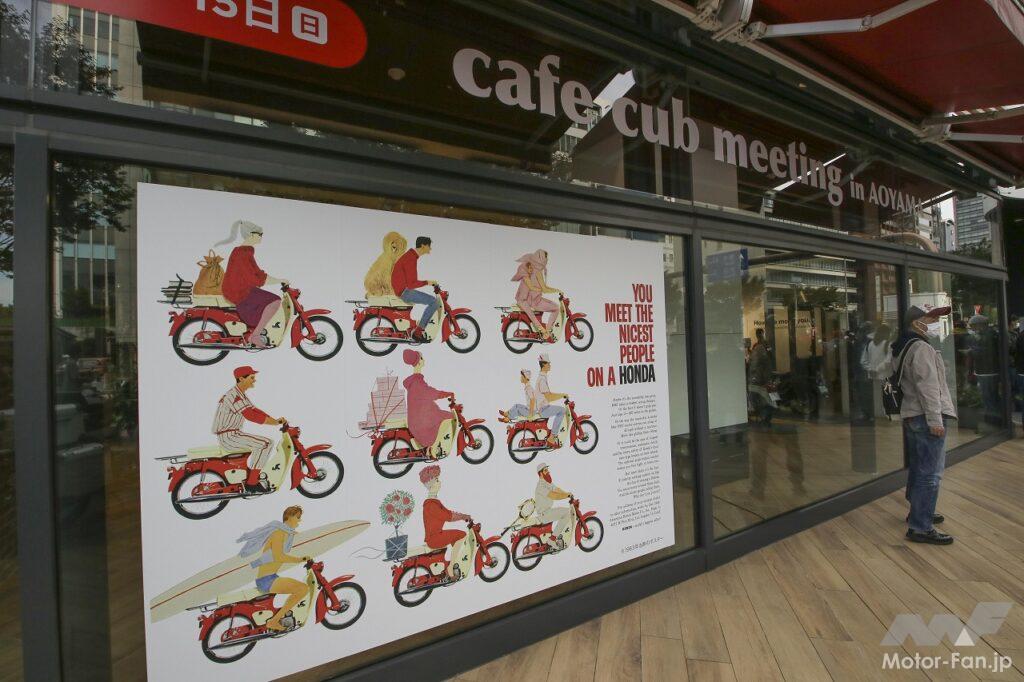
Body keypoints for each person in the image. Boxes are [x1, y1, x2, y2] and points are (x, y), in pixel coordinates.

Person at [892, 304, 956, 545]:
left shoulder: (902, 346)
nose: (933, 323)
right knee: (930, 473)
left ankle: (919, 511)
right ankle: (920, 526)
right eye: (930, 319)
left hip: (912, 415)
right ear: (916, 322)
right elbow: (928, 387)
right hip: (925, 416)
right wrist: (935, 420)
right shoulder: (920, 347)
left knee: (919, 468)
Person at [216, 220, 289, 349]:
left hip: (243, 288)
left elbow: (257, 273)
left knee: (270, 299)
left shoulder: (246, 251)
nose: (261, 237)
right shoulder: (241, 253)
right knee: (275, 301)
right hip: (237, 290)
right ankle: (255, 335)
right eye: (259, 234)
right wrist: (275, 280)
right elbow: (253, 278)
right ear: (251, 235)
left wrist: (278, 280)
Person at [236, 505, 310, 632]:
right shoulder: (278, 533)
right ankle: (274, 621)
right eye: (298, 517)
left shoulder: (287, 533)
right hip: (266, 580)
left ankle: (282, 617)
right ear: (290, 517)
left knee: (300, 588)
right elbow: (278, 556)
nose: (300, 520)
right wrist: (299, 560)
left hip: (272, 577)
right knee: (303, 589)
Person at [212, 366, 285, 493]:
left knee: (263, 443)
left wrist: (275, 420)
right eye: (252, 377)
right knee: (266, 444)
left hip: (233, 434)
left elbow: (255, 410)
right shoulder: (235, 396)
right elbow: (251, 415)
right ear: (241, 379)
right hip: (229, 436)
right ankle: (252, 482)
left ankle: (252, 476)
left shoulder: (240, 394)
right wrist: (274, 423)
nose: (254, 380)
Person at [419, 465, 471, 580]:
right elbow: (448, 516)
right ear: (429, 483)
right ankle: (450, 569)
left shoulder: (434, 501)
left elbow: (448, 513)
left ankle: (454, 563)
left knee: (456, 536)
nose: (439, 482)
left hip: (437, 535)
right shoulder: (431, 505)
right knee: (461, 535)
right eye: (436, 479)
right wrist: (463, 517)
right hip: (434, 538)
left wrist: (463, 516)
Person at [402, 349, 454, 458]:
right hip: (422, 423)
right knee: (450, 418)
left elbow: (426, 395)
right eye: (422, 358)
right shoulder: (417, 382)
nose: (424, 360)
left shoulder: (414, 382)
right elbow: (430, 393)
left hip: (419, 419)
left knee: (445, 415)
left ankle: (435, 446)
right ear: (419, 361)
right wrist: (445, 394)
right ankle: (434, 447)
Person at [391, 236, 437, 342]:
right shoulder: (410, 258)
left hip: (403, 289)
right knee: (433, 302)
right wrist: (428, 282)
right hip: (404, 292)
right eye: (429, 246)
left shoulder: (411, 256)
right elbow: (412, 284)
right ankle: (418, 331)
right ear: (423, 246)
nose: (430, 248)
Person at [512, 250, 561, 341]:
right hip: (534, 301)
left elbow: (542, 288)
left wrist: (553, 290)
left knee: (554, 306)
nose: (547, 260)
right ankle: (546, 332)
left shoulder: (531, 270)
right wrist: (557, 291)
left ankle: (546, 331)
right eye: (545, 258)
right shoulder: (536, 271)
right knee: (556, 308)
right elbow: (544, 289)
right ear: (541, 259)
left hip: (534, 299)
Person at [966, 314, 1001, 424]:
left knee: (988, 397)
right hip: (989, 371)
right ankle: (993, 418)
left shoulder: (987, 336)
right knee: (991, 396)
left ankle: (992, 420)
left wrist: (971, 351)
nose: (972, 329)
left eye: (973, 326)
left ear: (980, 325)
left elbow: (986, 353)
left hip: (986, 372)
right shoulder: (992, 334)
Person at [533, 463, 572, 550]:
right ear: (541, 473)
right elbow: (554, 496)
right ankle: (552, 539)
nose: (548, 472)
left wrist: (567, 493)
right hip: (544, 514)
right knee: (567, 512)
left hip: (548, 511)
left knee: (565, 511)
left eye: (548, 470)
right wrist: (566, 496)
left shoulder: (547, 483)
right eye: (545, 470)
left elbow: (557, 489)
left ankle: (558, 536)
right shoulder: (540, 486)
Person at [536, 354, 568, 449]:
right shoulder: (542, 379)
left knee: (559, 409)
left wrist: (561, 395)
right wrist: (562, 395)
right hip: (543, 409)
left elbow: (548, 394)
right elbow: (549, 398)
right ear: (544, 364)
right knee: (562, 410)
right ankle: (552, 437)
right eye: (548, 363)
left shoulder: (542, 377)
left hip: (544, 407)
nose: (550, 365)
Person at [364, 231, 408, 297]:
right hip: (380, 288)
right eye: (392, 243)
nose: (395, 245)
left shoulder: (398, 259)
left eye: (397, 244)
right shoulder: (386, 259)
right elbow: (386, 278)